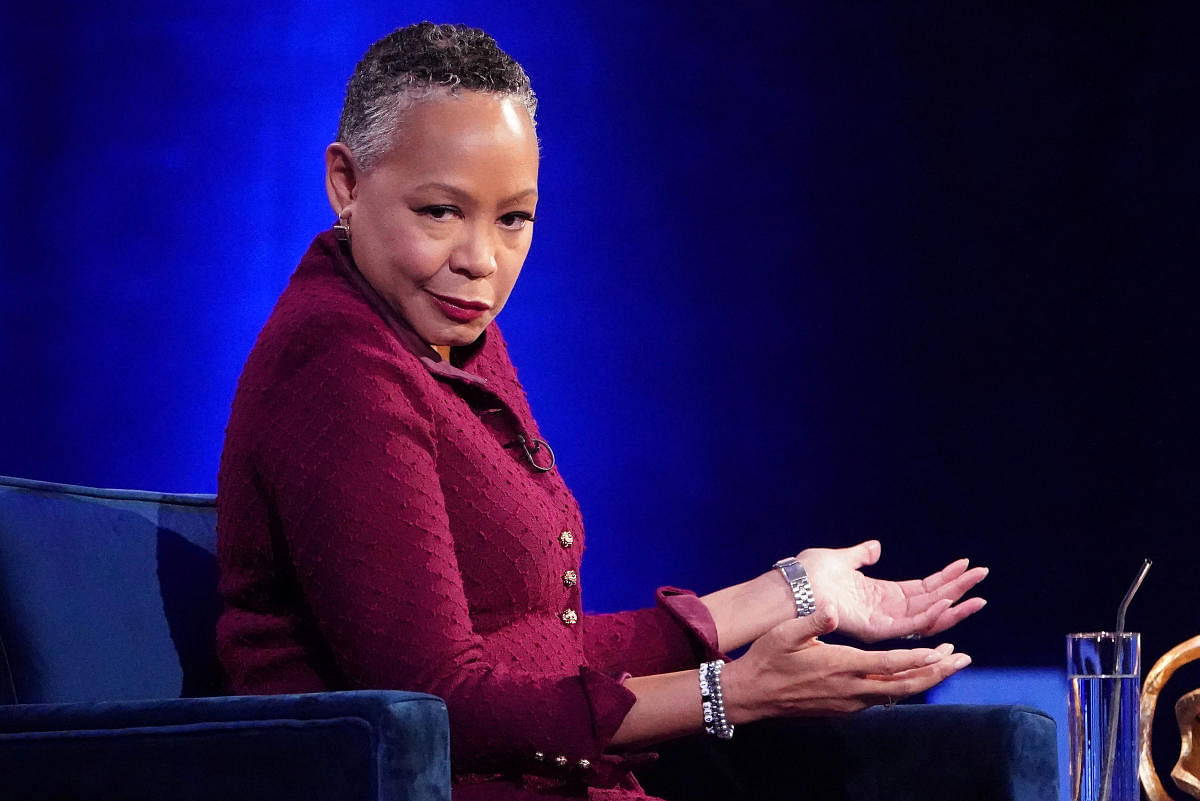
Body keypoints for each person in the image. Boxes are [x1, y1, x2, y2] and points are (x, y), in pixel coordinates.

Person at [216, 21, 988, 801]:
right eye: (441, 212)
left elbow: (544, 649)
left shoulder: (452, 334)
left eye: (513, 218)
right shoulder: (341, 364)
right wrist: (733, 692)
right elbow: (440, 701)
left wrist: (792, 590)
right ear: (346, 183)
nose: (481, 259)